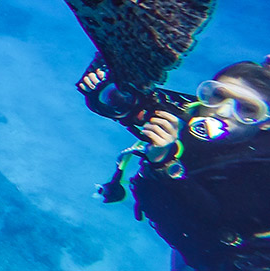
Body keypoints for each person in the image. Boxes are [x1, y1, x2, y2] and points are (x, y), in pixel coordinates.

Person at [78, 59, 270, 271]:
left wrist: (165, 164)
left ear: (266, 122)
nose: (223, 112)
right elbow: (136, 106)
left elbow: (209, 223)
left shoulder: (263, 170)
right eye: (218, 95)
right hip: (189, 247)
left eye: (247, 109)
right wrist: (105, 90)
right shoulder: (192, 112)